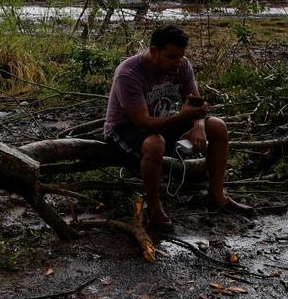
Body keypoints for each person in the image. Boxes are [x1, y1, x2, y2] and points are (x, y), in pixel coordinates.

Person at [103, 24, 253, 232]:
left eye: (181, 56)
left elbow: (196, 104)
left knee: (217, 126)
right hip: (124, 131)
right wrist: (183, 116)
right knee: (155, 143)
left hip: (163, 122)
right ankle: (154, 209)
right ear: (154, 52)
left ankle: (217, 196)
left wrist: (198, 124)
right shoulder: (128, 74)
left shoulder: (182, 66)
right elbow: (143, 124)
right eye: (172, 57)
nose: (178, 62)